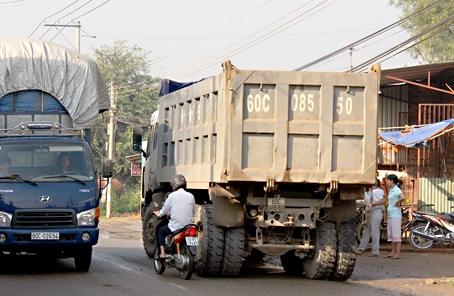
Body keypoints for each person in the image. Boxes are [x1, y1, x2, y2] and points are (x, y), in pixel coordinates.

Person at [154, 174, 196, 259]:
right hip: (188, 226)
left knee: (160, 231)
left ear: (174, 184)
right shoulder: (191, 196)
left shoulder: (172, 195)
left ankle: (162, 253)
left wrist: (159, 213)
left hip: (176, 226)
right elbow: (193, 211)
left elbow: (164, 210)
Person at [356, 179, 386, 257]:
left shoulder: (378, 191)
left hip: (376, 210)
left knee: (374, 231)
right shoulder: (369, 192)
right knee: (366, 230)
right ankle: (361, 248)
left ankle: (375, 251)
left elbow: (384, 201)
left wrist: (375, 203)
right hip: (370, 210)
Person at [383, 174, 406, 259]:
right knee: (392, 234)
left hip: (396, 215)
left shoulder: (396, 189)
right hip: (391, 214)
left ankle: (397, 253)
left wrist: (397, 202)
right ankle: (393, 252)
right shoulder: (392, 190)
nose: (387, 182)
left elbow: (403, 197)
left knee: (396, 234)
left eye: (388, 180)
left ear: (392, 181)